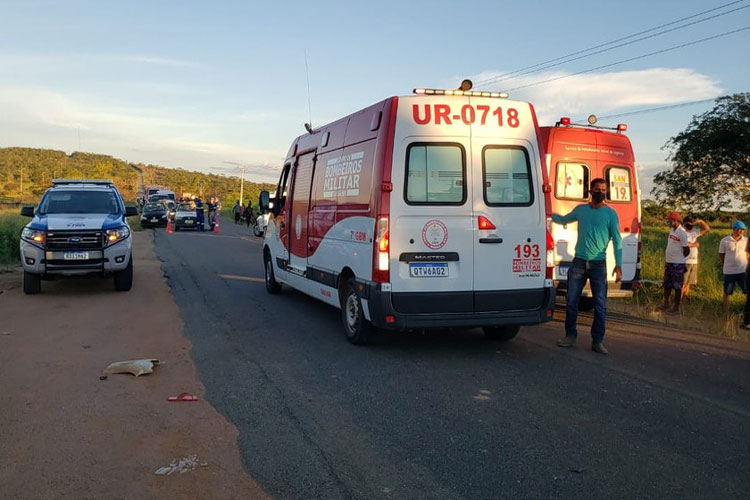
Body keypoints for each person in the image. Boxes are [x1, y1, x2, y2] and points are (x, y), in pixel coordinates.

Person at [551, 178, 622, 355]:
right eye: (597, 189)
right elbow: (563, 219)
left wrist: (618, 265)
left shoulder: (611, 214)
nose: (600, 193)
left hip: (599, 264)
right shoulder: (581, 210)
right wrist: (546, 212)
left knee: (599, 304)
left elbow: (618, 240)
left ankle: (597, 341)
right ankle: (570, 336)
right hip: (579, 262)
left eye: (604, 190)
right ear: (590, 191)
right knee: (571, 301)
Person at [656, 212, 690, 315]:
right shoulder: (672, 230)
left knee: (677, 286)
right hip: (669, 262)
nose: (668, 222)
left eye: (670, 220)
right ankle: (666, 303)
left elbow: (686, 250)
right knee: (667, 284)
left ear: (675, 221)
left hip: (677, 263)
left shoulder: (682, 233)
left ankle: (676, 307)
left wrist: (680, 258)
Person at [719, 220, 748, 318]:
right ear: (734, 229)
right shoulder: (725, 240)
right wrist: (726, 264)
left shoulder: (746, 240)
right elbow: (721, 255)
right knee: (727, 292)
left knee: (747, 290)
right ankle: (725, 312)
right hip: (729, 271)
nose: (741, 231)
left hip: (743, 270)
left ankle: (745, 312)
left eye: (743, 230)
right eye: (739, 229)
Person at [681, 216, 710, 298]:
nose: (690, 224)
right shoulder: (681, 232)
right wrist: (694, 245)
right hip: (685, 260)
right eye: (688, 223)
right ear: (684, 223)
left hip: (694, 261)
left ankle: (684, 298)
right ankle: (679, 299)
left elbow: (707, 229)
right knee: (683, 282)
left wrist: (700, 221)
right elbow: (684, 244)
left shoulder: (694, 232)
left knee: (689, 282)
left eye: (692, 223)